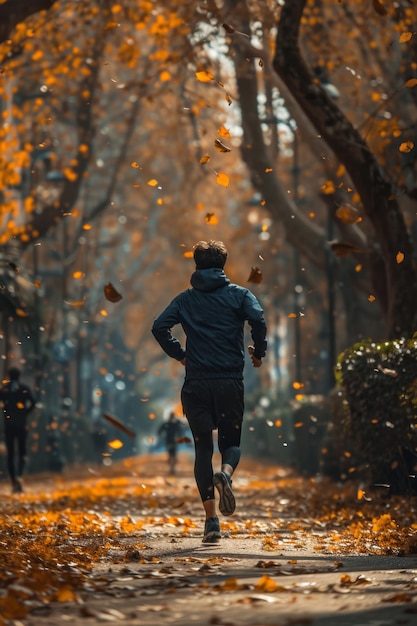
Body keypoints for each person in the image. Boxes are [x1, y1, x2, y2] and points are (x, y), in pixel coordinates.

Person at [152, 240, 267, 543]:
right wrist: (259, 351)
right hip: (230, 381)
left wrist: (180, 354)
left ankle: (211, 522)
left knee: (203, 449)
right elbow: (258, 318)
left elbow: (159, 326)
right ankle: (226, 474)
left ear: (196, 265)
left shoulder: (185, 300)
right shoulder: (240, 295)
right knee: (231, 442)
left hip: (197, 384)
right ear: (223, 265)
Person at [0, 367, 36, 493]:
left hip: (9, 425)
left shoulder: (5, 389)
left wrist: (5, 411)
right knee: (22, 452)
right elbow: (33, 402)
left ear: (9, 376)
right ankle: (19, 476)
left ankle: (13, 481)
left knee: (10, 454)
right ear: (19, 376)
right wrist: (25, 412)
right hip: (21, 425)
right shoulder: (24, 388)